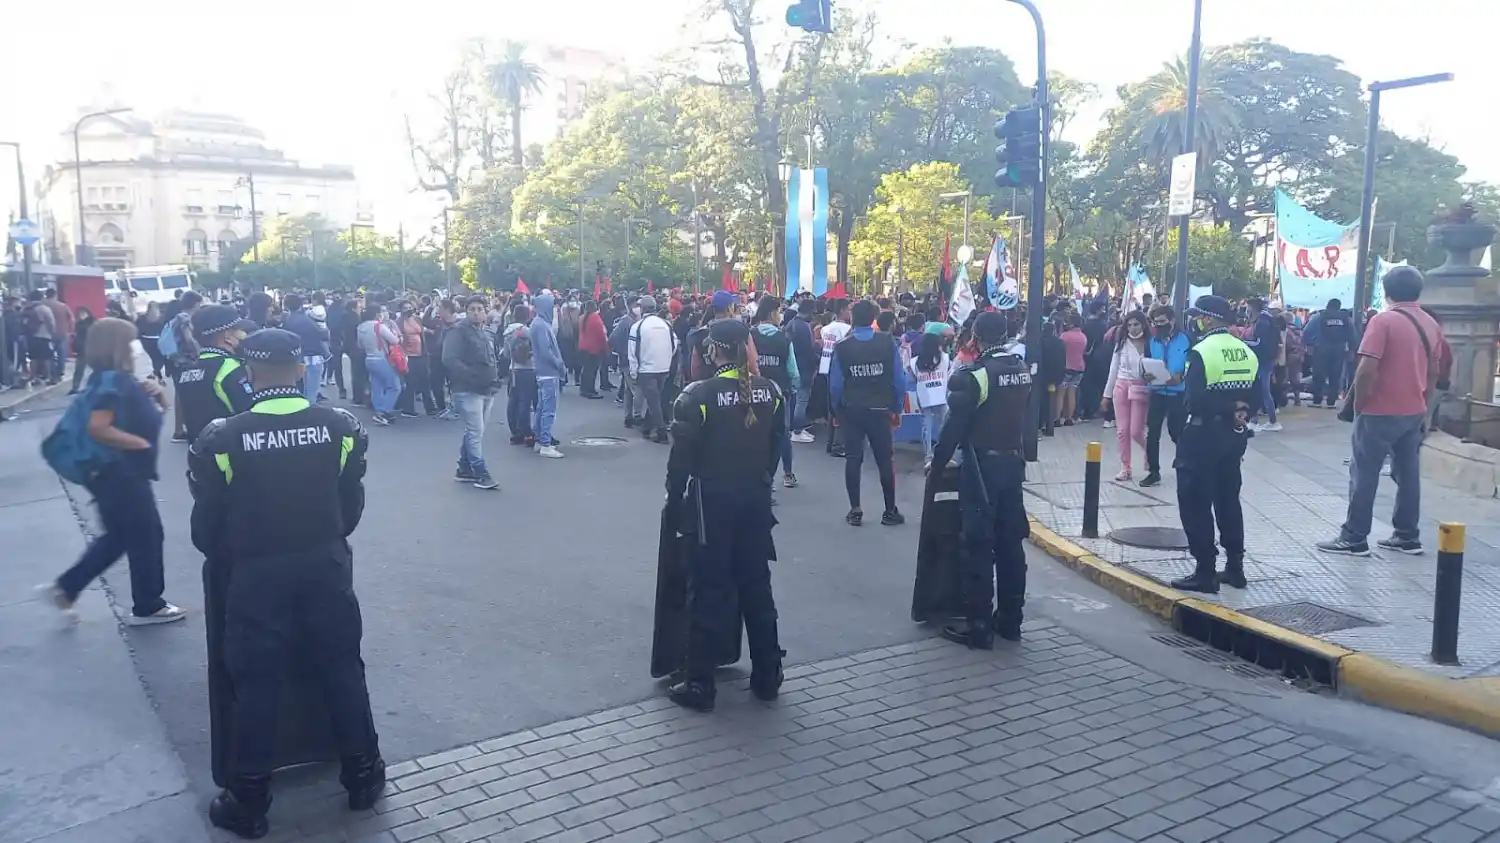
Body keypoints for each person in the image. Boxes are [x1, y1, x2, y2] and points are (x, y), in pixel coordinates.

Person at [188, 329, 383, 838]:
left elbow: (206, 527)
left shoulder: (222, 437)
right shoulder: (340, 427)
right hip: (325, 565)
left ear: (249, 375)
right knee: (343, 668)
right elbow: (350, 505)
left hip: (256, 575)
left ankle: (248, 801)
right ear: (301, 370)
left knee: (255, 683)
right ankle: (363, 777)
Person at [663, 319, 785, 712]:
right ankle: (769, 675)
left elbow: (681, 459)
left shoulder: (698, 395)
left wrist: (674, 497)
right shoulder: (772, 391)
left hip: (710, 503)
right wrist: (761, 479)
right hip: (754, 499)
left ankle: (700, 684)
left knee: (708, 591)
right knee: (756, 587)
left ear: (713, 350)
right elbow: (775, 447)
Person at [41, 317, 185, 625]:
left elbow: (142, 417)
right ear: (118, 346)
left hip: (111, 475)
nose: (136, 348)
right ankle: (148, 604)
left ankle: (67, 587)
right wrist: (138, 444)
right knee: (146, 535)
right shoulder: (113, 382)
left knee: (120, 536)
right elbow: (99, 428)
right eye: (131, 342)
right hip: (120, 474)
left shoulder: (111, 380)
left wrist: (158, 394)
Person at [1317, 267, 1441, 557]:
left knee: (1364, 473)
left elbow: (1366, 368)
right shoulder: (1430, 323)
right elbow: (1434, 371)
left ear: (1387, 292)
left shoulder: (1383, 321)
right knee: (1408, 474)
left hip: (1379, 410)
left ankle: (1354, 537)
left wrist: (1359, 405)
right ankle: (1407, 535)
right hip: (1414, 410)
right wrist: (1425, 406)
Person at [931, 311, 1032, 647]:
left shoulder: (973, 376)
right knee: (1010, 545)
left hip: (982, 469)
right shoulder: (1021, 369)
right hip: (1012, 466)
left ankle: (978, 627)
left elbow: (953, 428)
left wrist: (938, 463)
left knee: (977, 546)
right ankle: (1011, 622)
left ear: (975, 337)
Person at [1169, 296, 1259, 593]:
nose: (1197, 322)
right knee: (1228, 501)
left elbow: (1193, 400)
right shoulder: (1246, 352)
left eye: (1198, 317)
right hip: (1234, 437)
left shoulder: (1201, 352)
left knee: (1195, 502)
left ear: (1207, 320)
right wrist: (1236, 408)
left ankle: (1205, 571)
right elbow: (1256, 398)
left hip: (1202, 436)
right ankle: (1235, 567)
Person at [830, 300, 906, 527]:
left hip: (852, 409)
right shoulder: (886, 343)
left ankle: (855, 510)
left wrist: (836, 410)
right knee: (885, 460)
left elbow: (835, 385)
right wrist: (897, 407)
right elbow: (898, 380)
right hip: (881, 409)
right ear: (873, 318)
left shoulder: (843, 347)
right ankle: (890, 510)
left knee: (853, 458)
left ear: (852, 318)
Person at [175, 304, 256, 442]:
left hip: (199, 451)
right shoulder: (231, 367)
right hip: (229, 452)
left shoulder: (186, 370)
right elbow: (250, 415)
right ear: (227, 336)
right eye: (238, 330)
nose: (243, 334)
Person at [444, 296, 501, 489]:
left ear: (485, 311)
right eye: (472, 309)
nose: (476, 312)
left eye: (479, 309)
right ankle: (480, 472)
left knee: (476, 431)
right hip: (467, 389)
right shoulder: (458, 331)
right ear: (466, 311)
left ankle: (464, 468)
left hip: (486, 388)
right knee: (475, 431)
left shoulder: (484, 332)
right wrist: (471, 376)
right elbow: (449, 359)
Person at [751, 295, 799, 488]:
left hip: (754, 391)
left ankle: (757, 475)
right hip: (780, 393)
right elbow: (792, 371)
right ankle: (787, 473)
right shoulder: (784, 339)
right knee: (782, 433)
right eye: (779, 311)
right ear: (772, 313)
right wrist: (793, 388)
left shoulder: (750, 335)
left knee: (755, 433)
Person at [1141, 305, 1190, 488]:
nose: (1159, 325)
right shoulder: (1152, 341)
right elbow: (1145, 362)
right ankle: (1154, 471)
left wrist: (1181, 376)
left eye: (1163, 321)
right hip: (1157, 392)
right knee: (1152, 433)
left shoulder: (1185, 339)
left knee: (1176, 431)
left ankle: (1184, 463)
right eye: (1156, 322)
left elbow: (1191, 363)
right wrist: (1145, 375)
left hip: (1178, 392)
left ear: (1172, 320)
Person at [1102, 310, 1150, 481]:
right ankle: (1125, 467)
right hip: (1121, 386)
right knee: (1122, 430)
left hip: (1140, 388)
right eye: (1129, 325)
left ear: (1143, 324)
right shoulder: (1121, 342)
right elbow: (1113, 369)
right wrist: (1106, 395)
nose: (1133, 328)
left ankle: (1150, 452)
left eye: (1136, 324)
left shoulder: (1150, 343)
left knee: (1136, 430)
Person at [628, 296, 678, 444]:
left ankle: (661, 433)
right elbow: (674, 344)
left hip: (646, 369)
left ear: (642, 309)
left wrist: (633, 371)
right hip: (663, 368)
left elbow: (632, 352)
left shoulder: (638, 326)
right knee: (654, 399)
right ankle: (647, 427)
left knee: (653, 401)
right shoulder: (666, 324)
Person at [529, 293, 566, 458]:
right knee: (548, 409)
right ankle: (545, 443)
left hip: (543, 372)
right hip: (548, 372)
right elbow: (546, 351)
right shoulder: (542, 325)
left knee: (542, 407)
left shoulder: (538, 323)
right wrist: (558, 363)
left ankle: (539, 440)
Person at [908, 331, 951, 467]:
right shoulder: (945, 358)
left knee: (926, 426)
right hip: (941, 396)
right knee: (944, 425)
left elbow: (911, 378)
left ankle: (928, 455)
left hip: (924, 397)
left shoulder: (915, 362)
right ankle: (945, 453)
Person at [1303, 297, 1354, 409]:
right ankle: (1331, 402)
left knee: (1318, 376)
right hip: (1339, 349)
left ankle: (1317, 401)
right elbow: (1351, 334)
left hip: (1321, 348)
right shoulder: (1345, 318)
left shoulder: (1320, 316)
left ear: (1327, 305)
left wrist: (1309, 344)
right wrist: (1351, 350)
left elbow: (1307, 331)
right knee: (1335, 376)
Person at [357, 304, 403, 426]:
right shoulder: (378, 326)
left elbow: (360, 345)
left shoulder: (361, 327)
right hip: (381, 358)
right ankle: (384, 411)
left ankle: (378, 411)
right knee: (394, 386)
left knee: (376, 386)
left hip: (369, 358)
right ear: (377, 314)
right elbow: (395, 340)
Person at [281, 295, 330, 404]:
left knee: (300, 391)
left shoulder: (287, 320)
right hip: (313, 357)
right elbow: (322, 335)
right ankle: (310, 416)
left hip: (297, 358)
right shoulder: (306, 319)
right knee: (311, 391)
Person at [67, 307, 98, 394]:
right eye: (79, 314)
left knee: (96, 368)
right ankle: (75, 387)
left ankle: (95, 385)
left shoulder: (93, 322)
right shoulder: (79, 323)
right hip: (82, 349)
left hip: (92, 347)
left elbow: (88, 331)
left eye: (83, 313)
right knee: (79, 369)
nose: (81, 315)